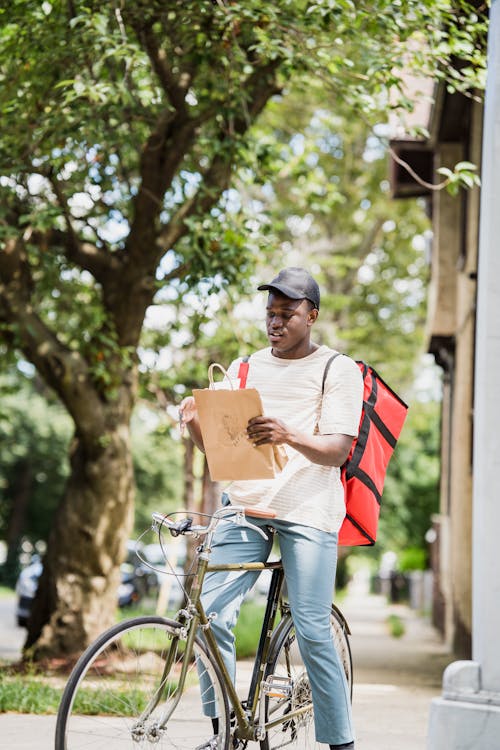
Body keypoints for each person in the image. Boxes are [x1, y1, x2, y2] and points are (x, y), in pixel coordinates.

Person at [180, 267, 363, 750]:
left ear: (312, 316)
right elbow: (219, 451)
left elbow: (339, 449)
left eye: (288, 314)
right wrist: (197, 424)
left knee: (311, 628)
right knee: (210, 615)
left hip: (308, 509)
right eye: (270, 314)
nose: (275, 323)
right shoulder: (245, 367)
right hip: (246, 504)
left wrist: (288, 434)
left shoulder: (337, 369)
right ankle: (225, 731)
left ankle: (341, 742)